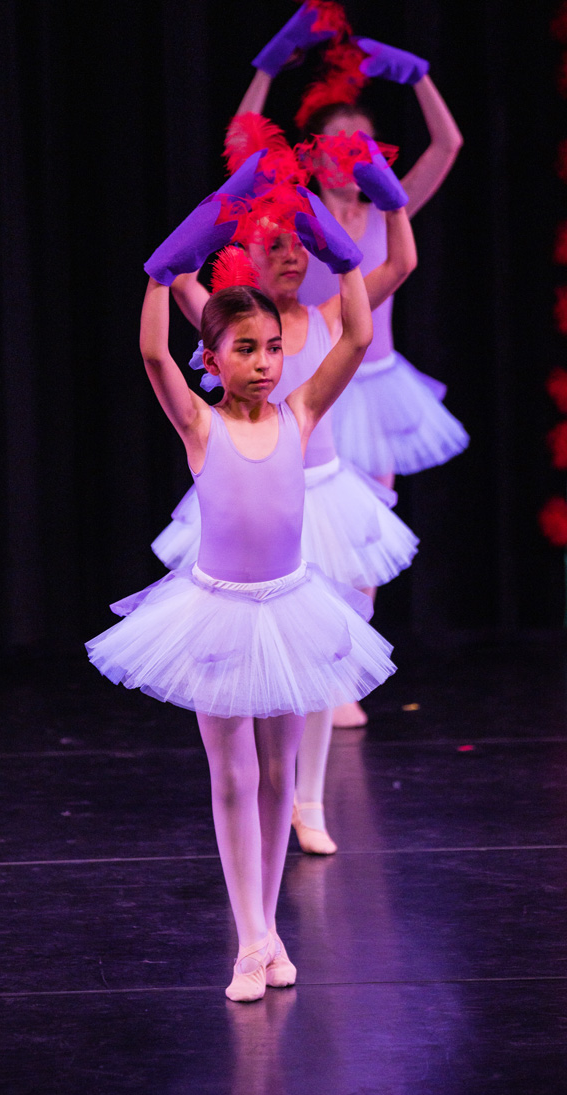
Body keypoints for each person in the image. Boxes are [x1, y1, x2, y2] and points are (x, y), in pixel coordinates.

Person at [86, 164, 397, 1002]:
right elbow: (151, 351)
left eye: (271, 349)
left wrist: (345, 260)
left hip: (290, 609)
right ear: (214, 357)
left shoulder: (301, 414)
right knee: (232, 777)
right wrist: (161, 274)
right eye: (245, 349)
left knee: (280, 777)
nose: (264, 363)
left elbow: (357, 338)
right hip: (218, 613)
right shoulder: (199, 423)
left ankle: (268, 933)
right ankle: (250, 938)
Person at [158, 126, 417, 854]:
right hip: (252, 493)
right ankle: (264, 791)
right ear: (250, 251)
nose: (290, 254)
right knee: (255, 654)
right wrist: (225, 208)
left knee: (324, 650)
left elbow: (400, 264)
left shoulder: (329, 317)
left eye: (298, 243)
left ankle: (309, 799)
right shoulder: (233, 325)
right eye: (274, 245)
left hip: (324, 496)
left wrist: (391, 206)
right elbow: (177, 277)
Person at [238, 9, 469, 730]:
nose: (350, 153)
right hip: (321, 382)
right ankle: (306, 662)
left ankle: (345, 672)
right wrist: (266, 69)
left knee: (366, 537)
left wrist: (420, 77)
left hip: (380, 386)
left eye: (362, 143)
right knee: (310, 528)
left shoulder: (391, 208)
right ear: (315, 154)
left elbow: (449, 143)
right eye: (336, 142)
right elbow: (245, 149)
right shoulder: (301, 216)